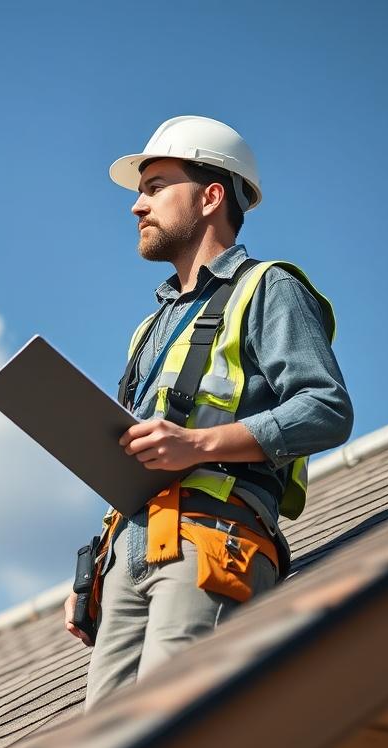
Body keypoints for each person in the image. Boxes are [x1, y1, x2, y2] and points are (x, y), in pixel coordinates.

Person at [63, 116, 354, 711]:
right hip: (130, 552)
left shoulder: (268, 288)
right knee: (102, 743)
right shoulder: (149, 329)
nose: (136, 207)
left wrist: (197, 447)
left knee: (174, 728)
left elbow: (326, 409)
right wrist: (94, 565)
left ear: (212, 195)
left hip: (213, 537)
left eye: (156, 186)